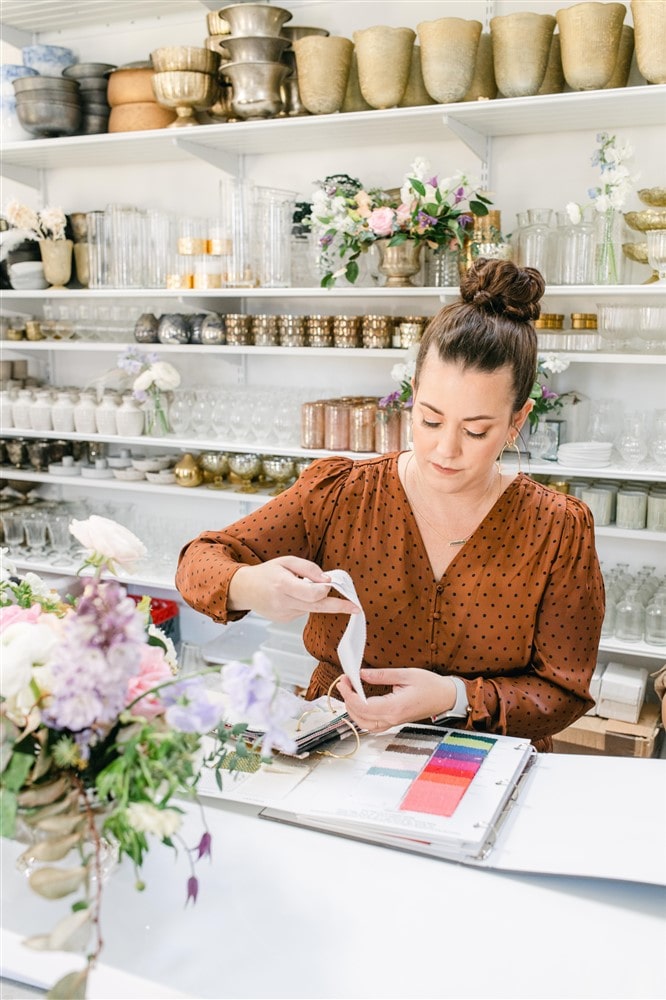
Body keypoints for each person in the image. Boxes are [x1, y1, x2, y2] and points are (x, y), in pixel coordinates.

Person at [176, 258, 605, 751]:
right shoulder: (340, 493)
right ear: (413, 394)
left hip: (486, 762)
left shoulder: (556, 529)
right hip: (343, 746)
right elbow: (198, 562)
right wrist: (249, 585)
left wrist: (454, 697)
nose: (446, 450)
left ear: (517, 420)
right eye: (430, 419)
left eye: (476, 430)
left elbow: (562, 692)